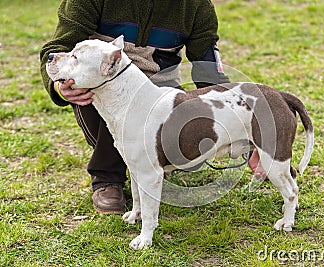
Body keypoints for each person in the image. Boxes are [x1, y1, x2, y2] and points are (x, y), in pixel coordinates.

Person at [40, 0, 265, 214]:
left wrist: (248, 132)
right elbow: (59, 47)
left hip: (159, 85)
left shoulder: (196, 6)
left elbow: (208, 72)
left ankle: (154, 162)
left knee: (187, 154)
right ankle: (107, 178)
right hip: (100, 81)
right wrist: (59, 88)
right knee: (120, 112)